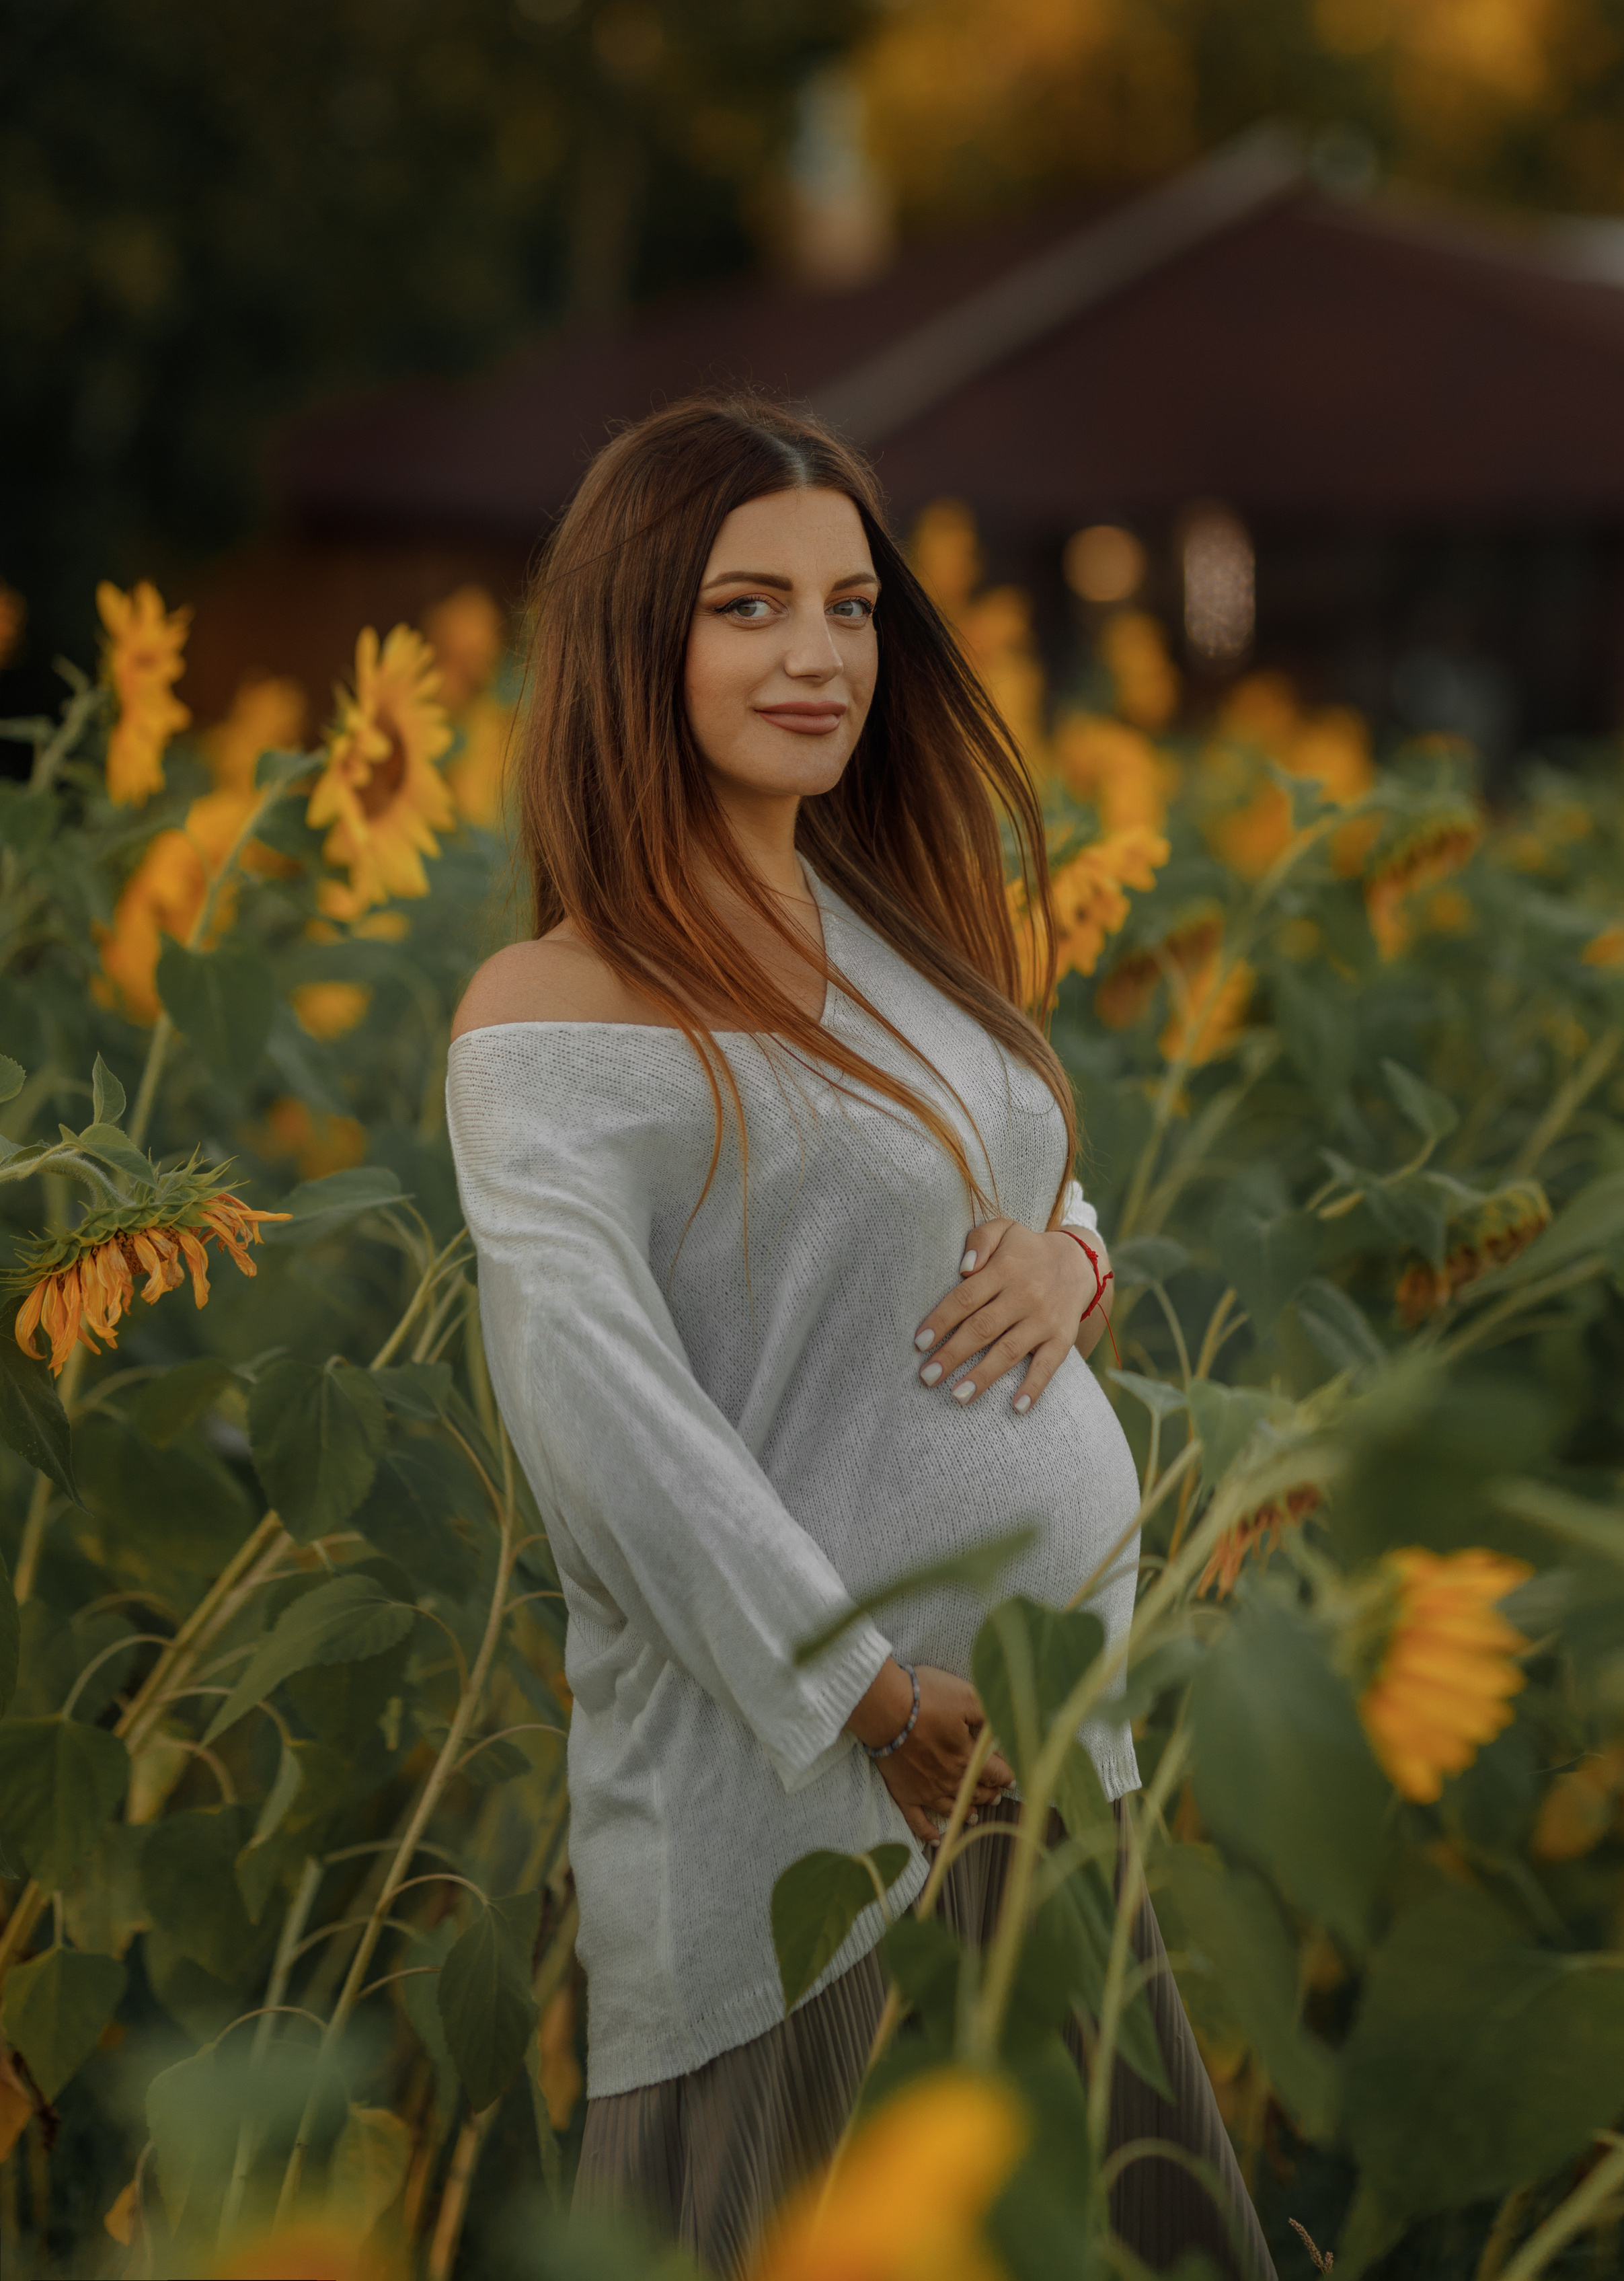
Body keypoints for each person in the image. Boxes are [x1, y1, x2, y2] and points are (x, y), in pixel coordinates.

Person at [446, 395, 1272, 2277]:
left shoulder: (882, 919)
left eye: (848, 606)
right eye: (748, 607)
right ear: (631, 637)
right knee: (729, 2238)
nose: (818, 655)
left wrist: (1079, 1261)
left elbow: (996, 1171)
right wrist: (870, 1705)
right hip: (796, 1786)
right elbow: (604, 1420)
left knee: (1154, 2247)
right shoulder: (556, 1018)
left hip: (1051, 1759)